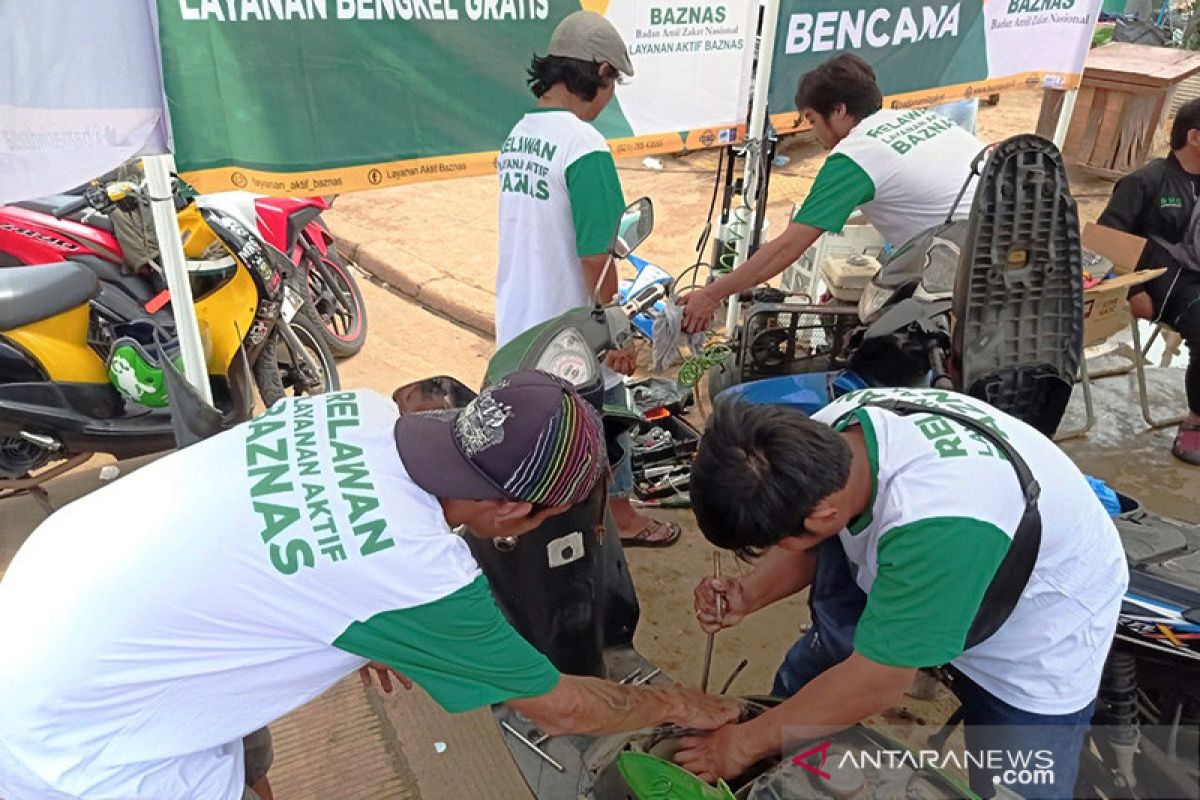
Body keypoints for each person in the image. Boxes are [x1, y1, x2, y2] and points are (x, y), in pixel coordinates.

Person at [0, 371, 739, 800]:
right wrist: (682, 703)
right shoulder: (421, 573)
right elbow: (566, 708)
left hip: (51, 589)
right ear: (514, 509)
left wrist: (368, 624)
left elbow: (300, 536)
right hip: (82, 741)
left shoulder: (354, 408)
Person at [677, 387, 1128, 799]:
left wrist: (741, 746)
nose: (776, 548)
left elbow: (879, 681)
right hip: (936, 558)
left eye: (775, 539)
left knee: (1020, 782)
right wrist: (749, 593)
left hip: (1038, 622)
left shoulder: (941, 526)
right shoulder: (827, 436)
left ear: (821, 514)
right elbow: (811, 536)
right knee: (802, 699)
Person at [494, 10, 679, 546]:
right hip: (573, 331)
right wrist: (618, 333)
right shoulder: (584, 146)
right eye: (613, 81)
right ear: (598, 71)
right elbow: (597, 256)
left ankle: (545, 517)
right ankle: (617, 517)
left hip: (520, 319)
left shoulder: (519, 135)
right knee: (609, 412)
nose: (610, 95)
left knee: (538, 433)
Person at [679, 54, 985, 333]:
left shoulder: (855, 156)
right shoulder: (920, 119)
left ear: (838, 110)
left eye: (812, 120)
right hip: (1011, 238)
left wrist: (710, 295)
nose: (814, 132)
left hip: (970, 272)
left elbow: (789, 248)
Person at [1098, 97, 1200, 465]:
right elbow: (1104, 241)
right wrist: (1132, 289)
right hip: (1165, 284)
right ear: (1194, 137)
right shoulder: (1146, 181)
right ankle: (1196, 422)